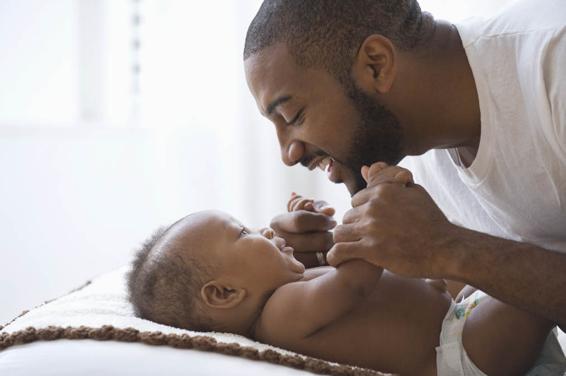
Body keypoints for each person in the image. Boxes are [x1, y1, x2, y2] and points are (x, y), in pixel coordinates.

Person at [243, 0, 566, 331]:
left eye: (292, 116)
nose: (289, 153)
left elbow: (450, 250)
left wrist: (449, 247)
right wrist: (313, 270)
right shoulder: (405, 155)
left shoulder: (554, 64)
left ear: (376, 65)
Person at [128, 165, 564, 376]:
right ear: (223, 294)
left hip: (460, 317)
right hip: (460, 353)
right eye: (244, 234)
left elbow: (340, 272)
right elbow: (355, 281)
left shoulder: (294, 288)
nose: (263, 230)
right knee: (535, 270)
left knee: (510, 263)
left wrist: (319, 227)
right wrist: (372, 207)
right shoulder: (280, 315)